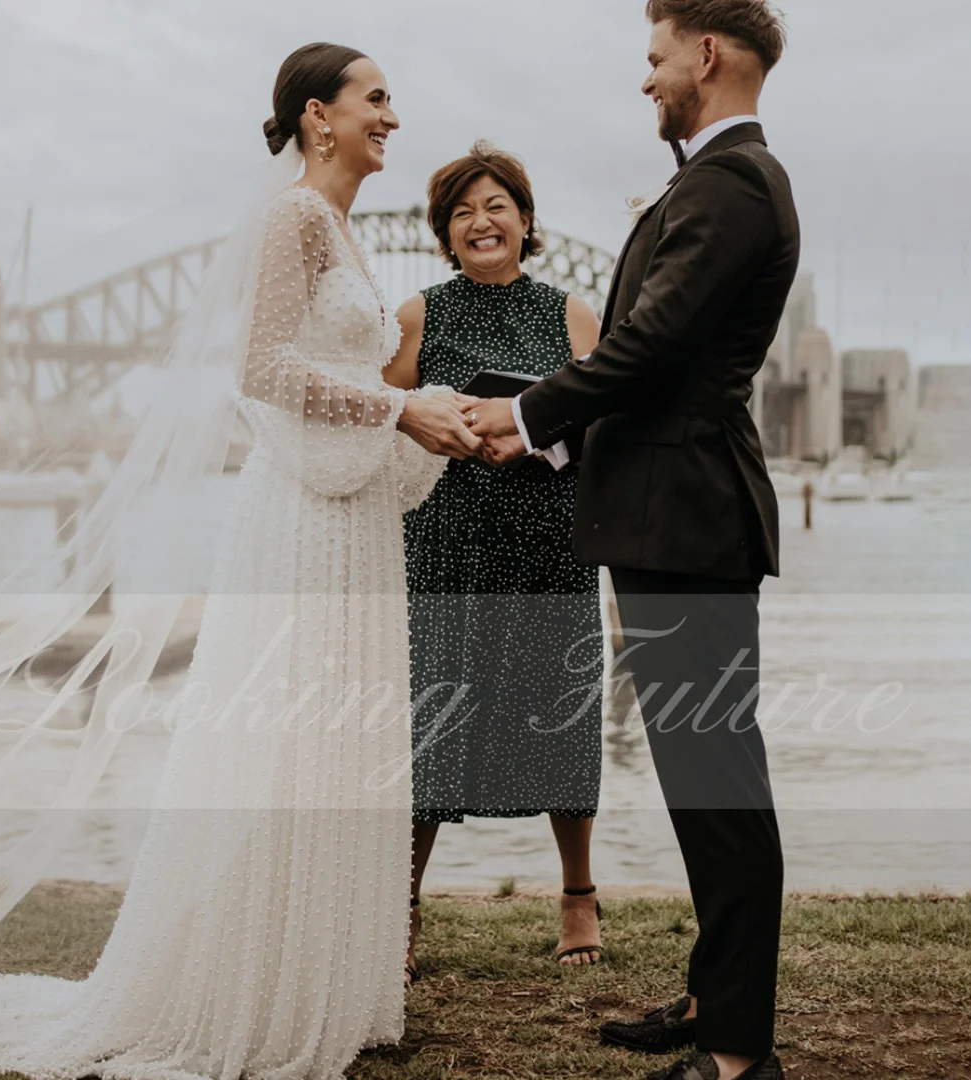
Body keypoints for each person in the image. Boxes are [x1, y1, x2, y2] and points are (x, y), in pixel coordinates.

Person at [0, 42, 479, 1080]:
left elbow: (344, 366)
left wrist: (428, 409)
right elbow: (260, 366)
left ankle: (321, 982)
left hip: (350, 512)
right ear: (319, 116)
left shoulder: (346, 232)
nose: (394, 116)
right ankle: (246, 989)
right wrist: (401, 406)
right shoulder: (293, 217)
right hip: (303, 518)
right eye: (377, 98)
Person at [465, 2, 798, 1079]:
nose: (644, 79)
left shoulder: (733, 183)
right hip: (672, 511)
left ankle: (740, 1051)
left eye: (654, 58)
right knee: (696, 773)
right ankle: (715, 994)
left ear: (705, 55)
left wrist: (522, 422)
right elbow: (661, 362)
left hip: (689, 518)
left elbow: (650, 350)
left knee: (718, 780)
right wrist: (563, 436)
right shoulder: (715, 180)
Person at [384, 142, 605, 980]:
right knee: (432, 724)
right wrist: (438, 420)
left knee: (564, 713)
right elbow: (386, 416)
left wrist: (536, 434)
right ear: (445, 232)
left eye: (497, 204)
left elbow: (603, 426)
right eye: (463, 210)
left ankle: (578, 896)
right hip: (446, 542)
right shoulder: (417, 317)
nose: (482, 221)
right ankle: (400, 910)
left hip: (549, 537)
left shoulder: (571, 314)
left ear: (525, 219)